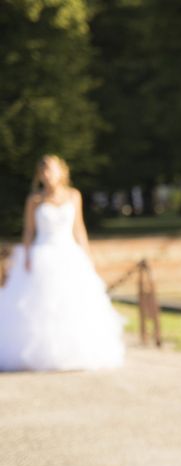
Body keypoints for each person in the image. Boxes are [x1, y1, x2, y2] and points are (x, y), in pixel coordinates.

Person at [0, 154, 125, 372]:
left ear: (61, 171)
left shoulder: (74, 196)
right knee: (41, 307)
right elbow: (29, 231)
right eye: (44, 171)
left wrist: (87, 255)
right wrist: (27, 256)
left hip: (69, 255)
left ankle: (75, 352)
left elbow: (79, 228)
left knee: (73, 304)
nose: (47, 175)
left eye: (51, 170)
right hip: (42, 255)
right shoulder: (35, 200)